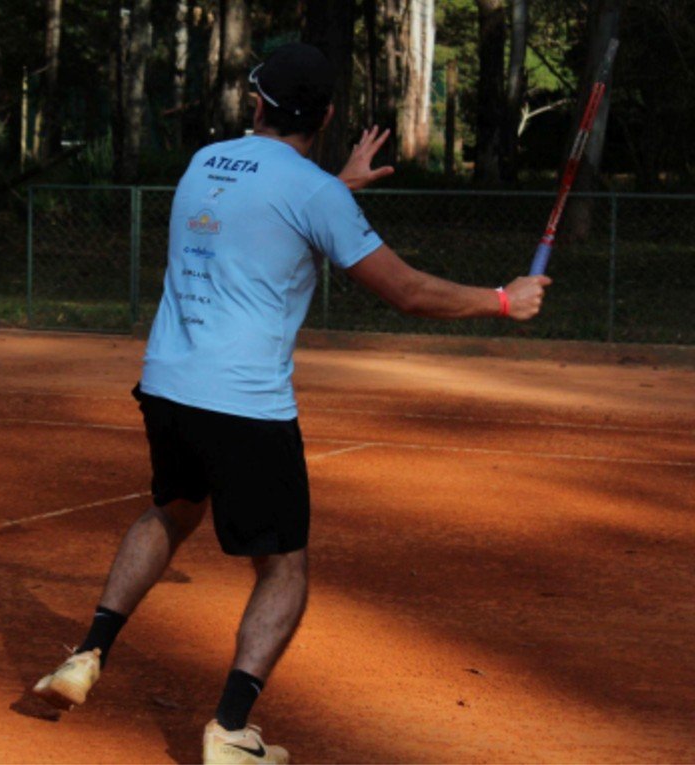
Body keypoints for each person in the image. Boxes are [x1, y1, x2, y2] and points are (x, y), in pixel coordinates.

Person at [31, 43, 551, 764]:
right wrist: (502, 299)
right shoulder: (315, 194)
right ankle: (231, 729)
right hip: (244, 404)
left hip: (166, 387)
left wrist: (337, 189)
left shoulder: (207, 163)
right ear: (328, 115)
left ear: (257, 104)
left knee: (171, 511)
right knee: (284, 567)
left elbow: (264, 210)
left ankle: (85, 653)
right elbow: (405, 291)